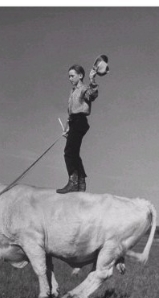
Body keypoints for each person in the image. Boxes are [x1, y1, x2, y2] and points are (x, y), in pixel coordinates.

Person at [56, 56, 108, 194]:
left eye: (72, 76)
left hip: (80, 121)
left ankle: (73, 182)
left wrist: (92, 79)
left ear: (80, 75)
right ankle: (81, 182)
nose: (70, 78)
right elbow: (71, 112)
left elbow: (92, 96)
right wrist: (67, 128)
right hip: (74, 122)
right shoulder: (72, 91)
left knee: (68, 152)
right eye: (69, 76)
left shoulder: (84, 88)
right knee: (73, 152)